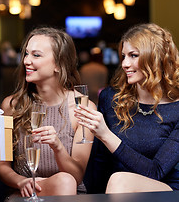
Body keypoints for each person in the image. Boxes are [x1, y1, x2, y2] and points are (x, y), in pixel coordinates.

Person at [75, 23, 179, 193]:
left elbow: (156, 171)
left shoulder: (176, 108)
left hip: (164, 189)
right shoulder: (110, 97)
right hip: (117, 191)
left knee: (120, 179)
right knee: (117, 180)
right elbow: (100, 160)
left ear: (155, 57)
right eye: (123, 56)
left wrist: (105, 135)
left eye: (133, 55)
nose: (124, 64)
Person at [0, 27, 96, 199]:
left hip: (68, 193)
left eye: (36, 55)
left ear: (59, 64)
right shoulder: (12, 105)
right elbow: (2, 166)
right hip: (24, 193)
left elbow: (77, 176)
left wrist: (57, 147)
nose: (26, 60)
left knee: (65, 181)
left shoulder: (82, 107)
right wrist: (21, 181)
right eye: (26, 54)